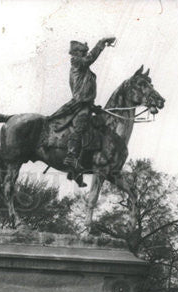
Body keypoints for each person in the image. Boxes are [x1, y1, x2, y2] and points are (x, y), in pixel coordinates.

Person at [59, 37, 116, 184]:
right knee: (81, 125)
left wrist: (93, 106)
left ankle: (78, 169)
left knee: (92, 131)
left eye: (85, 52)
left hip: (87, 104)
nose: (85, 54)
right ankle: (71, 156)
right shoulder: (78, 63)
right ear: (76, 53)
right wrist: (101, 43)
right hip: (79, 105)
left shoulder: (84, 68)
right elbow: (90, 58)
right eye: (83, 52)